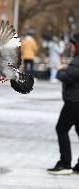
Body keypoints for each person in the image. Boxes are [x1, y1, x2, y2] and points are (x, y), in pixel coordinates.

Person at [47, 32, 79, 175]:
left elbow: (67, 77)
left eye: (72, 44)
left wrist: (60, 69)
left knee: (61, 129)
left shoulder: (77, 60)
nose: (71, 47)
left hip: (74, 101)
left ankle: (65, 163)